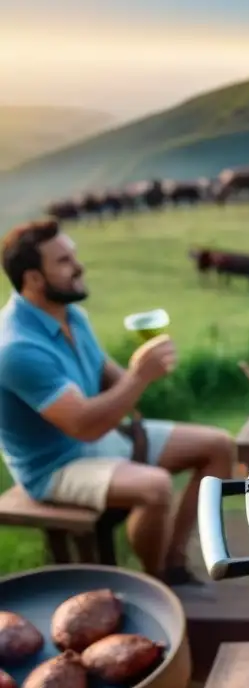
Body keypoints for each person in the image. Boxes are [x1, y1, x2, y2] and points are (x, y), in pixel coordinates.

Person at [0, 220, 236, 585]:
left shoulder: (72, 315)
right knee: (155, 487)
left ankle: (174, 563)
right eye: (64, 261)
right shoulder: (17, 348)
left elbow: (108, 376)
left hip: (99, 438)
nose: (78, 266)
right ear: (33, 279)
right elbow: (84, 425)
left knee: (219, 445)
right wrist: (140, 376)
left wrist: (143, 369)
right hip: (56, 464)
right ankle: (154, 580)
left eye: (74, 255)